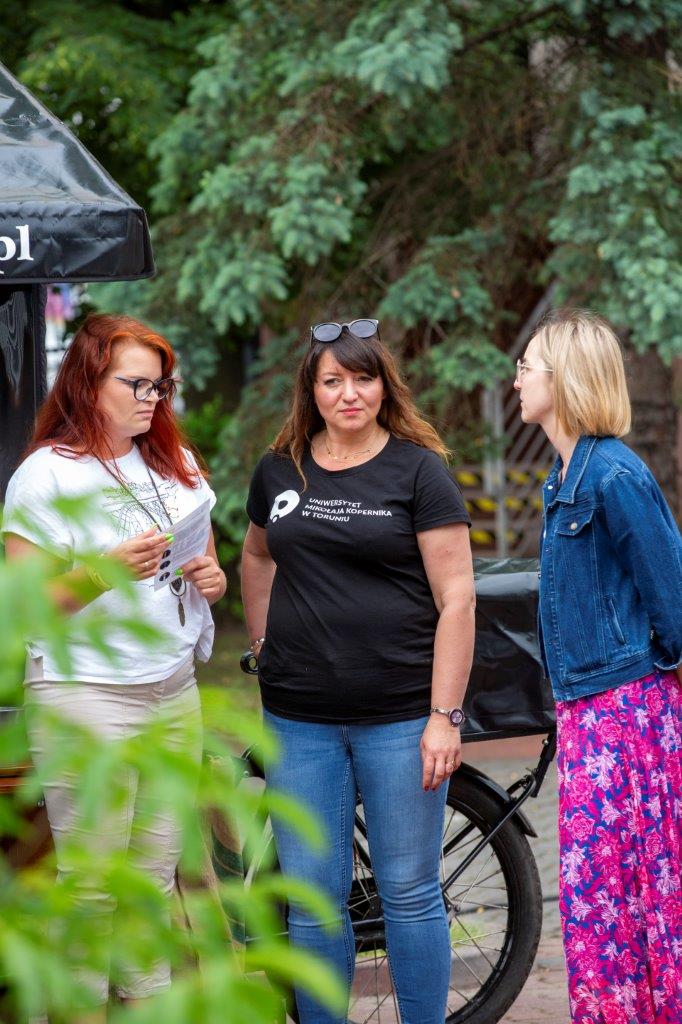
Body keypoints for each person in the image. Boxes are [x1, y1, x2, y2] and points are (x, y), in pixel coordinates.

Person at [241, 318, 475, 1024]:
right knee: (314, 902)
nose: (349, 394)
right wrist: (263, 644)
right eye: (333, 380)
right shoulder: (279, 470)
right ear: (311, 392)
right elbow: (256, 556)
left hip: (401, 718)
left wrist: (444, 717)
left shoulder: (419, 471)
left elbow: (458, 599)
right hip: (297, 721)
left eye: (363, 378)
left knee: (409, 893)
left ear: (384, 387)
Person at [2, 313, 226, 1017]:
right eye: (137, 384)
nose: (152, 399)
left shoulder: (173, 461)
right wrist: (102, 573)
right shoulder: (45, 475)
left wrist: (211, 576)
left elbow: (203, 556)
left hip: (173, 689)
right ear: (88, 381)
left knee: (154, 881)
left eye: (161, 387)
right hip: (86, 696)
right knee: (94, 888)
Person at [514, 309, 682, 1023]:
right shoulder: (566, 477)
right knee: (600, 898)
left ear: (563, 378)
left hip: (630, 714)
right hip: (591, 711)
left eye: (527, 366)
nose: (516, 379)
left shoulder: (614, 475)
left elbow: (672, 598)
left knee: (636, 896)